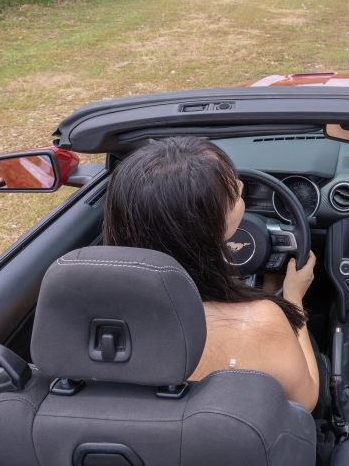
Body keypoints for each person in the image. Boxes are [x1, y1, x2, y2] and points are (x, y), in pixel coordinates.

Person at [101, 136, 321, 411]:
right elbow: (306, 401)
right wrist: (292, 298)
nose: (241, 185)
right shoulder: (261, 322)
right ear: (210, 228)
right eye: (233, 191)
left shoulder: (91, 312)